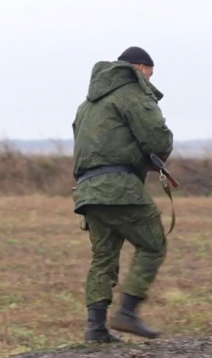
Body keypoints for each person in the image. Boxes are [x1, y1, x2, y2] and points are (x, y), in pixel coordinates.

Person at [72, 46, 174, 342]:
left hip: (87, 190)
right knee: (153, 244)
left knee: (103, 256)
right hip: (119, 187)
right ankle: (128, 312)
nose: (150, 80)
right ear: (140, 67)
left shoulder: (87, 104)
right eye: (150, 74)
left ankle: (95, 327)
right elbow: (157, 139)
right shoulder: (132, 93)